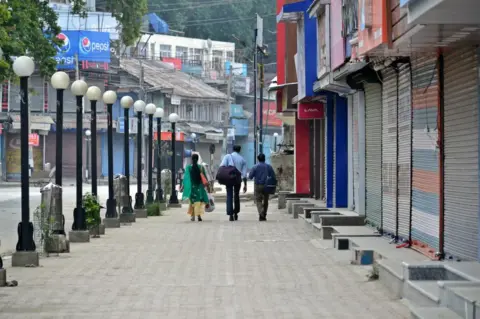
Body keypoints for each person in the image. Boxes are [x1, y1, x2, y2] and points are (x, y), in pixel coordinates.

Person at [219, 145, 247, 221]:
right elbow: (244, 174)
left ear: (233, 149)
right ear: (240, 150)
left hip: (229, 178)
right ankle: (236, 213)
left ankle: (230, 215)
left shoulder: (228, 156)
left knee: (229, 195)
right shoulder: (242, 159)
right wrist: (245, 185)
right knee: (236, 195)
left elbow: (222, 166)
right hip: (238, 179)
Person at [181, 154, 210, 222]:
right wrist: (207, 186)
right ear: (197, 159)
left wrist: (183, 186)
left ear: (191, 159)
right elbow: (204, 178)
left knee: (192, 202)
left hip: (192, 187)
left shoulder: (188, 167)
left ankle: (193, 216)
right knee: (198, 202)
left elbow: (186, 178)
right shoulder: (201, 167)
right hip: (199, 187)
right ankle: (199, 216)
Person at [249, 153, 276, 221]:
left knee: (258, 200)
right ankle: (264, 214)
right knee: (266, 200)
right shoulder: (268, 166)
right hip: (266, 185)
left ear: (258, 159)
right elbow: (273, 176)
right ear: (264, 159)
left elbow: (250, 176)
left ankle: (261, 213)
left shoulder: (255, 167)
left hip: (258, 185)